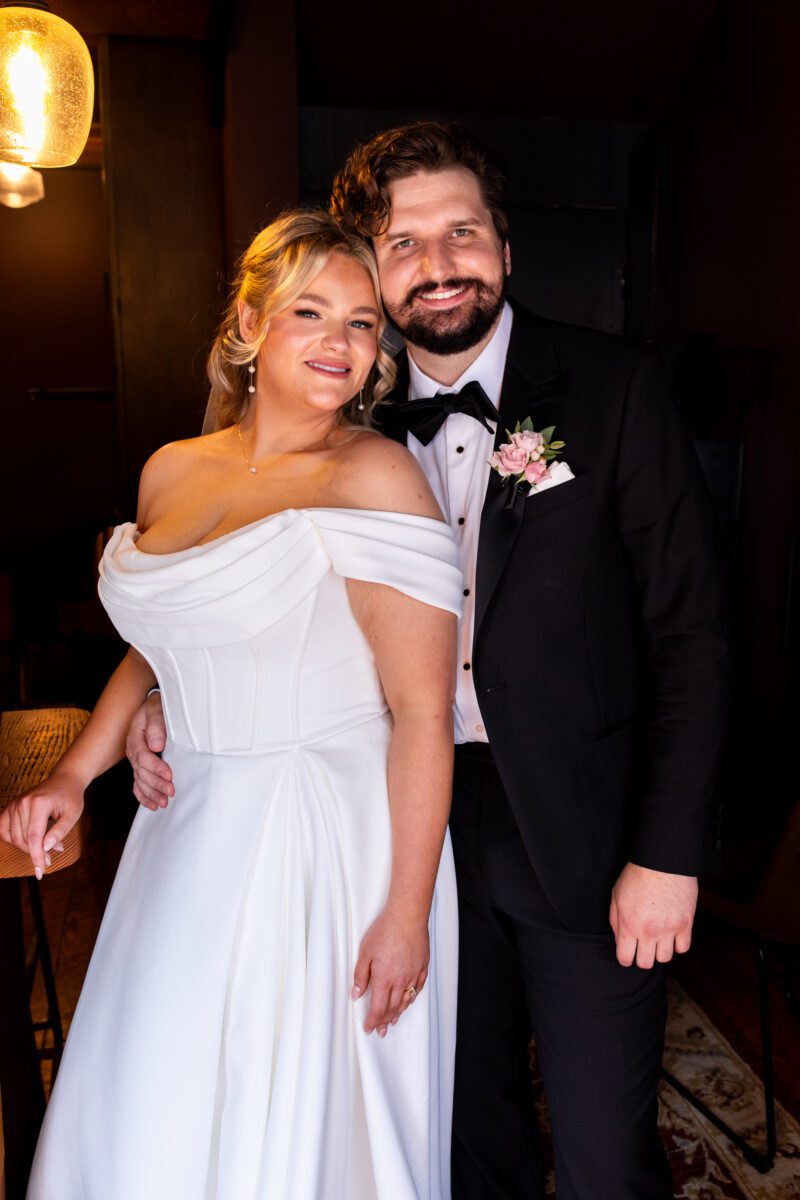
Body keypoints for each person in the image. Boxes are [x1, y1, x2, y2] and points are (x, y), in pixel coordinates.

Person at [131, 122, 730, 1198]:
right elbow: (238, 587)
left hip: (583, 834)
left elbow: (691, 634)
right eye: (403, 244)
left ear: (505, 247)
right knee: (453, 1135)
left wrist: (668, 853)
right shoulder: (331, 409)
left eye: (462, 233)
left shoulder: (613, 388)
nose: (438, 263)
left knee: (601, 1154)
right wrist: (164, 696)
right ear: (370, 268)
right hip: (392, 829)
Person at [0, 210, 464, 1200]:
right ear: (250, 328)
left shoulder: (373, 476)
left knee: (290, 1109)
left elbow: (423, 714)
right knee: (155, 1085)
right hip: (190, 821)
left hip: (326, 834)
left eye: (362, 323)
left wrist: (407, 914)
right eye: (310, 313)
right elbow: (160, 644)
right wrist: (78, 772)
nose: (339, 344)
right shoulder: (173, 468)